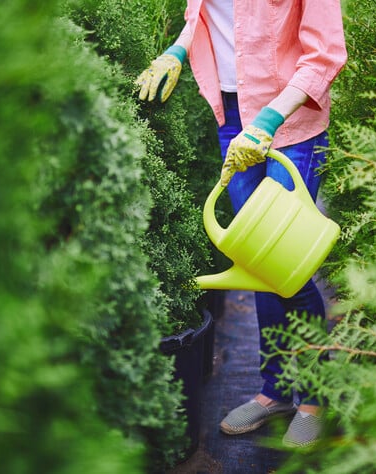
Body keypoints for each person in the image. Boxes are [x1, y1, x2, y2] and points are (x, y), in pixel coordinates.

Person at [136, 0, 346, 447]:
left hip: (291, 123)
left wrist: (269, 118)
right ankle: (274, 391)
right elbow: (211, 15)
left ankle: (313, 397)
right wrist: (178, 49)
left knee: (286, 262)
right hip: (232, 115)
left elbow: (327, 53)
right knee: (256, 258)